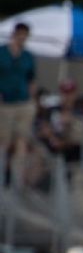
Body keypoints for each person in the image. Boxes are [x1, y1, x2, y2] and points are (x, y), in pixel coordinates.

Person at [0, 22, 36, 173]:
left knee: (22, 140)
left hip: (23, 101)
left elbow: (31, 79)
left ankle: (17, 178)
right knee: (4, 140)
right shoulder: (2, 52)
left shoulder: (28, 56)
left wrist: (32, 99)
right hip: (5, 103)